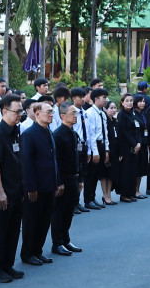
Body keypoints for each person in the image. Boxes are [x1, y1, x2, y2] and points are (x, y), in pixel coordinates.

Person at [0, 93, 26, 283]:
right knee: (1, 231)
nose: (20, 114)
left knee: (13, 230)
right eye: (17, 111)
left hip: (16, 189)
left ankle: (8, 264)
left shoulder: (15, 131)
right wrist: (0, 192)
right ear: (4, 111)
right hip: (3, 192)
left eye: (21, 111)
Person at [19, 100, 60, 266]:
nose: (51, 114)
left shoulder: (48, 131)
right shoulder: (29, 134)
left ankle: (38, 250)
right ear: (37, 114)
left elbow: (53, 159)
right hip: (36, 186)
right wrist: (31, 187)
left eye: (52, 112)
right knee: (32, 221)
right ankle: (28, 253)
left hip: (49, 184)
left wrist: (57, 182)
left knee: (44, 220)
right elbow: (27, 163)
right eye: (48, 112)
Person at [50, 103, 85, 256]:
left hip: (74, 177)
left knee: (70, 211)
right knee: (60, 212)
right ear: (63, 116)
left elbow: (79, 158)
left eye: (76, 114)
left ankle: (66, 239)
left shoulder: (74, 134)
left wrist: (80, 178)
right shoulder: (57, 135)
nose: (75, 116)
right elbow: (55, 161)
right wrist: (58, 182)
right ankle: (57, 243)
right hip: (63, 178)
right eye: (72, 113)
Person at [81, 88, 108, 209]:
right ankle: (88, 199)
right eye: (104, 98)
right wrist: (94, 152)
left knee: (97, 174)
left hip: (101, 144)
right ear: (96, 99)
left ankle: (92, 197)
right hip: (94, 146)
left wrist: (106, 150)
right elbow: (90, 134)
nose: (106, 100)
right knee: (91, 175)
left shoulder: (102, 113)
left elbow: (105, 132)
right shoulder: (90, 113)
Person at [114, 93, 141, 202]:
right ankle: (124, 194)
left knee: (133, 170)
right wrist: (134, 144)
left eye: (131, 100)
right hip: (126, 146)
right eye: (127, 101)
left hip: (136, 145)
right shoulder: (121, 115)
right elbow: (124, 132)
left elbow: (138, 128)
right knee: (126, 171)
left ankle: (131, 193)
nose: (129, 103)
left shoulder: (133, 113)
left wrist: (139, 143)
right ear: (122, 102)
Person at [104, 99, 125, 205]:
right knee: (106, 174)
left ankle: (109, 195)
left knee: (112, 173)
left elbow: (119, 137)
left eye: (114, 108)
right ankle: (105, 195)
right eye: (111, 108)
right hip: (108, 150)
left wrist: (121, 152)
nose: (113, 110)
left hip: (116, 151)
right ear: (105, 109)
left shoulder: (115, 121)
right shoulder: (105, 122)